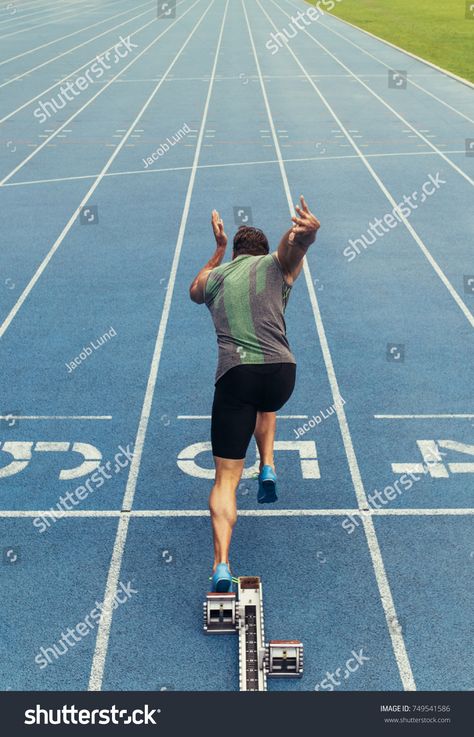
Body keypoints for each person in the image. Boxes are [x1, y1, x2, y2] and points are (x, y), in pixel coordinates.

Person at [189, 196, 320, 592]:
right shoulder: (277, 267)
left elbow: (193, 291)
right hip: (282, 373)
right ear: (261, 253)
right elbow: (292, 248)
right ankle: (267, 464)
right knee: (267, 403)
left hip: (236, 375)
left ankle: (222, 565)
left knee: (225, 479)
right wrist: (307, 234)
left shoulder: (216, 277)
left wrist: (215, 251)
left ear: (234, 253)